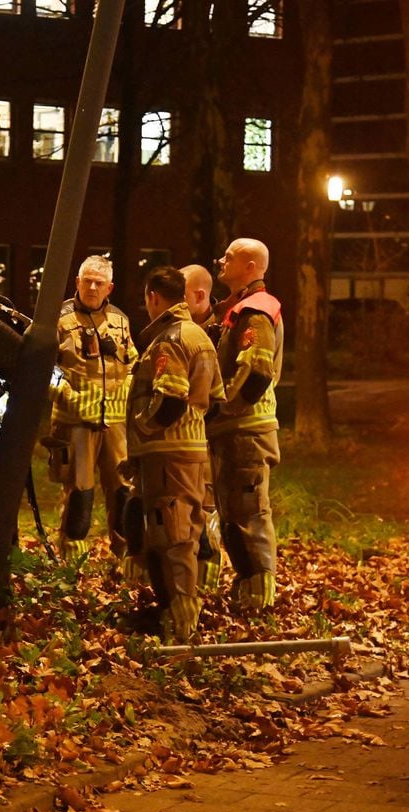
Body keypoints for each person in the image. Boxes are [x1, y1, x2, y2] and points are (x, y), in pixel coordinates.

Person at [124, 266, 224, 642]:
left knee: (173, 534)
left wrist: (143, 427)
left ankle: (180, 617)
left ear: (153, 297)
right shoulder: (200, 335)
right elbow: (214, 401)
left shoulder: (169, 339)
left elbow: (169, 400)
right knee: (185, 527)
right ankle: (173, 610)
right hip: (193, 449)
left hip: (167, 453)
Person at [208, 238, 284, 612]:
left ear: (252, 266)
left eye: (230, 257)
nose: (221, 260)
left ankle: (259, 593)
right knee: (233, 510)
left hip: (247, 430)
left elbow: (256, 371)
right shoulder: (236, 309)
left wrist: (221, 409)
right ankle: (249, 588)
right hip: (236, 431)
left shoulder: (255, 312)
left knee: (248, 510)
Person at [45, 255, 137, 559]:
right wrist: (66, 395)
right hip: (74, 423)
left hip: (115, 424)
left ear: (110, 287)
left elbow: (134, 363)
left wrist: (130, 388)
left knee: (124, 493)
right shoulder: (58, 319)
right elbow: (43, 369)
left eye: (99, 283)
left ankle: (124, 561)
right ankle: (72, 566)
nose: (93, 287)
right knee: (79, 497)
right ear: (77, 282)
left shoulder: (120, 322)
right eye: (88, 281)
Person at [179, 263, 224, 590]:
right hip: (185, 436)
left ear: (198, 295)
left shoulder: (221, 331)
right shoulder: (179, 329)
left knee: (207, 505)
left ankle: (208, 579)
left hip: (210, 434)